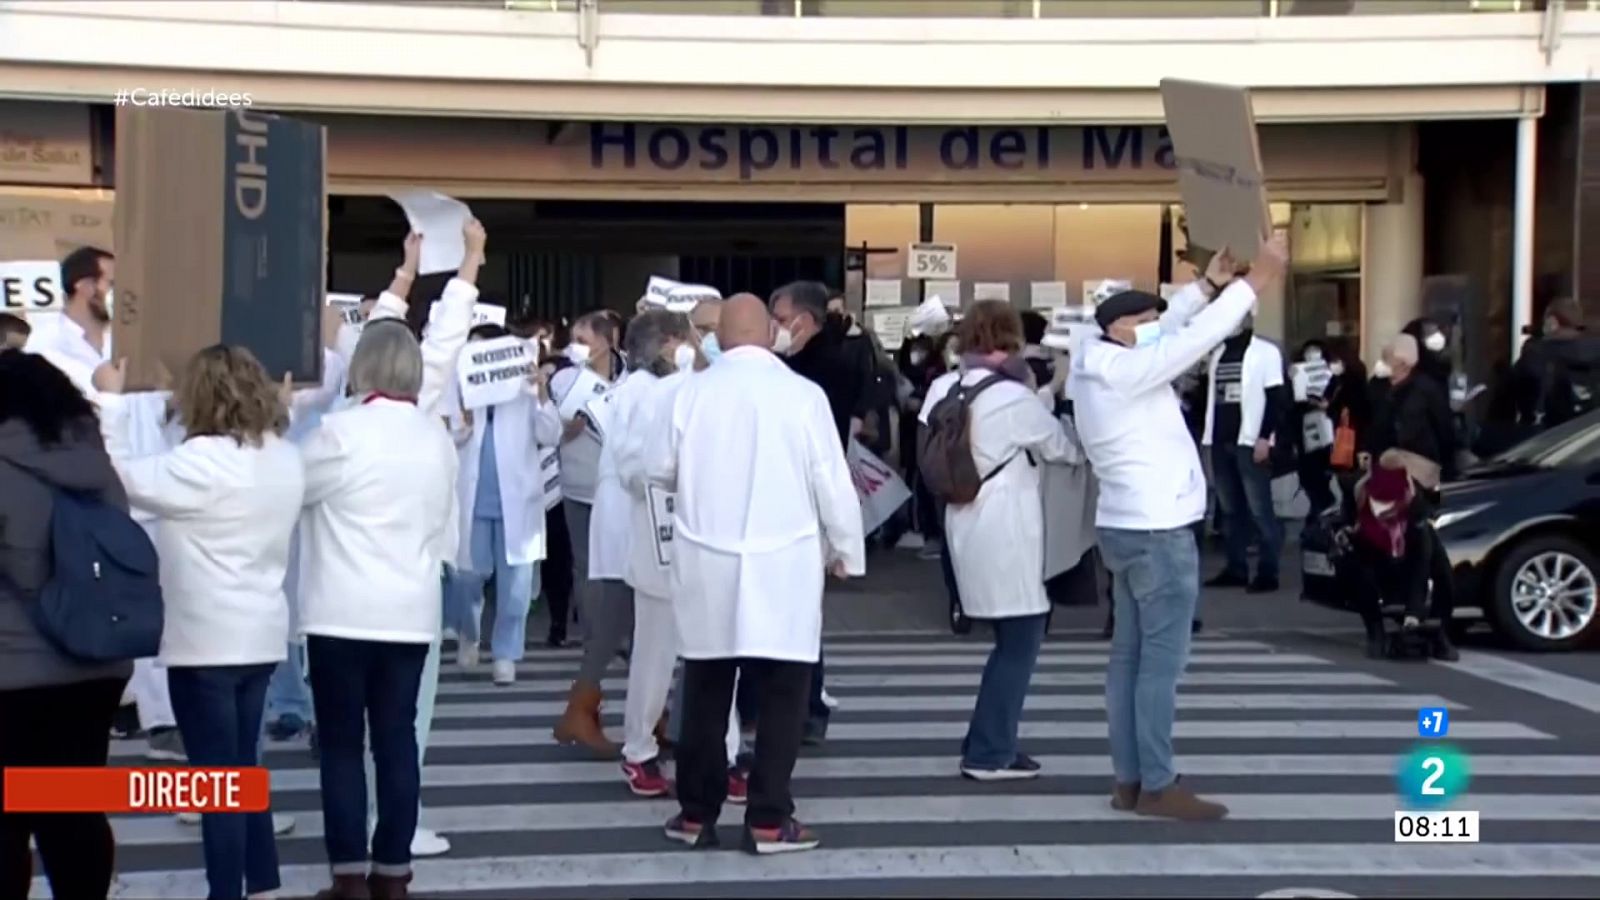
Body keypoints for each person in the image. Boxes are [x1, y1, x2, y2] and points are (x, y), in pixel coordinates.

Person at [1070, 234, 1287, 822]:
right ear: (1119, 330)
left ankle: (1130, 780)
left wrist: (1208, 285)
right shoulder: (1128, 371)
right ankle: (1159, 784)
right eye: (1142, 321)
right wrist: (1253, 282)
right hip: (1158, 530)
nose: (1153, 327)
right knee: (1159, 666)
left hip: (1124, 525)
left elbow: (1170, 326)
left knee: (1128, 661)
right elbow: (1188, 338)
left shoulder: (1097, 362)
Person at [298, 226, 480, 899]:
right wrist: (459, 267)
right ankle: (393, 872)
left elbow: (293, 493)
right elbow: (438, 524)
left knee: (343, 748)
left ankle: (348, 874)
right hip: (409, 616)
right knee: (397, 744)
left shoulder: (337, 433)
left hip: (340, 616)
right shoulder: (435, 437)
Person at [648, 294, 865, 855]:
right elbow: (830, 480)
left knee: (705, 688)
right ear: (771, 333)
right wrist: (846, 549)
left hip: (707, 563)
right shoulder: (801, 395)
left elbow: (657, 468)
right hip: (784, 565)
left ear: (720, 335)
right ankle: (769, 818)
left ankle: (696, 814)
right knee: (783, 694)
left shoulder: (689, 392)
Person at [94, 345, 305, 900]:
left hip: (204, 640)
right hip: (261, 634)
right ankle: (262, 881)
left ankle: (227, 890)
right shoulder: (283, 457)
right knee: (242, 768)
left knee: (216, 781)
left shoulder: (198, 464)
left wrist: (110, 404)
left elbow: (116, 477)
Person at [923, 301, 1080, 781]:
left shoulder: (943, 388)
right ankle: (990, 751)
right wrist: (1052, 389)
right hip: (1008, 529)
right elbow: (1063, 449)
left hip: (961, 521)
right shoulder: (1013, 398)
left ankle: (986, 740)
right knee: (1021, 641)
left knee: (1007, 641)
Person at [0, 352, 132, 900]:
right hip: (93, 666)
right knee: (74, 812)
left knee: (7, 822)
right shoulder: (94, 461)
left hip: (12, 673)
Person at [770, 280, 870, 745]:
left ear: (803, 322)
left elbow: (826, 464)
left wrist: (843, 543)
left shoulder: (821, 371)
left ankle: (806, 711)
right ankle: (786, 709)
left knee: (801, 617)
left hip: (804, 507)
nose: (773, 328)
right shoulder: (792, 367)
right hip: (790, 505)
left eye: (779, 318)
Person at [442, 323, 561, 685]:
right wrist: (460, 410)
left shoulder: (525, 390)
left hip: (517, 501)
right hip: (473, 499)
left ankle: (506, 653)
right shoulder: (458, 388)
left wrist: (540, 393)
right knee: (467, 577)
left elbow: (550, 434)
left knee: (516, 585)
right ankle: (469, 633)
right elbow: (453, 438)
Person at [550, 310, 629, 755]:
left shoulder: (630, 377)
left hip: (620, 488)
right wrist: (568, 427)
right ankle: (596, 632)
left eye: (584, 336)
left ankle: (607, 684)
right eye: (574, 337)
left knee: (621, 575)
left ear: (607, 340)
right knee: (588, 566)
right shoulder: (564, 381)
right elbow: (549, 429)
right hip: (581, 484)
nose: (577, 344)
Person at [1201, 312, 1289, 593]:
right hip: (1221, 438)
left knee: (1259, 508)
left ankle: (1268, 571)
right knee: (1230, 509)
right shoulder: (1218, 353)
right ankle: (1236, 567)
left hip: (1249, 439)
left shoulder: (1265, 352)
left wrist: (1266, 437)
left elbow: (1277, 398)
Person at [1514, 297, 1600, 430]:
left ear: (1553, 322)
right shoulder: (1595, 351)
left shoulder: (1536, 353)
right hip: (1588, 438)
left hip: (1545, 439)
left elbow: (1513, 395)